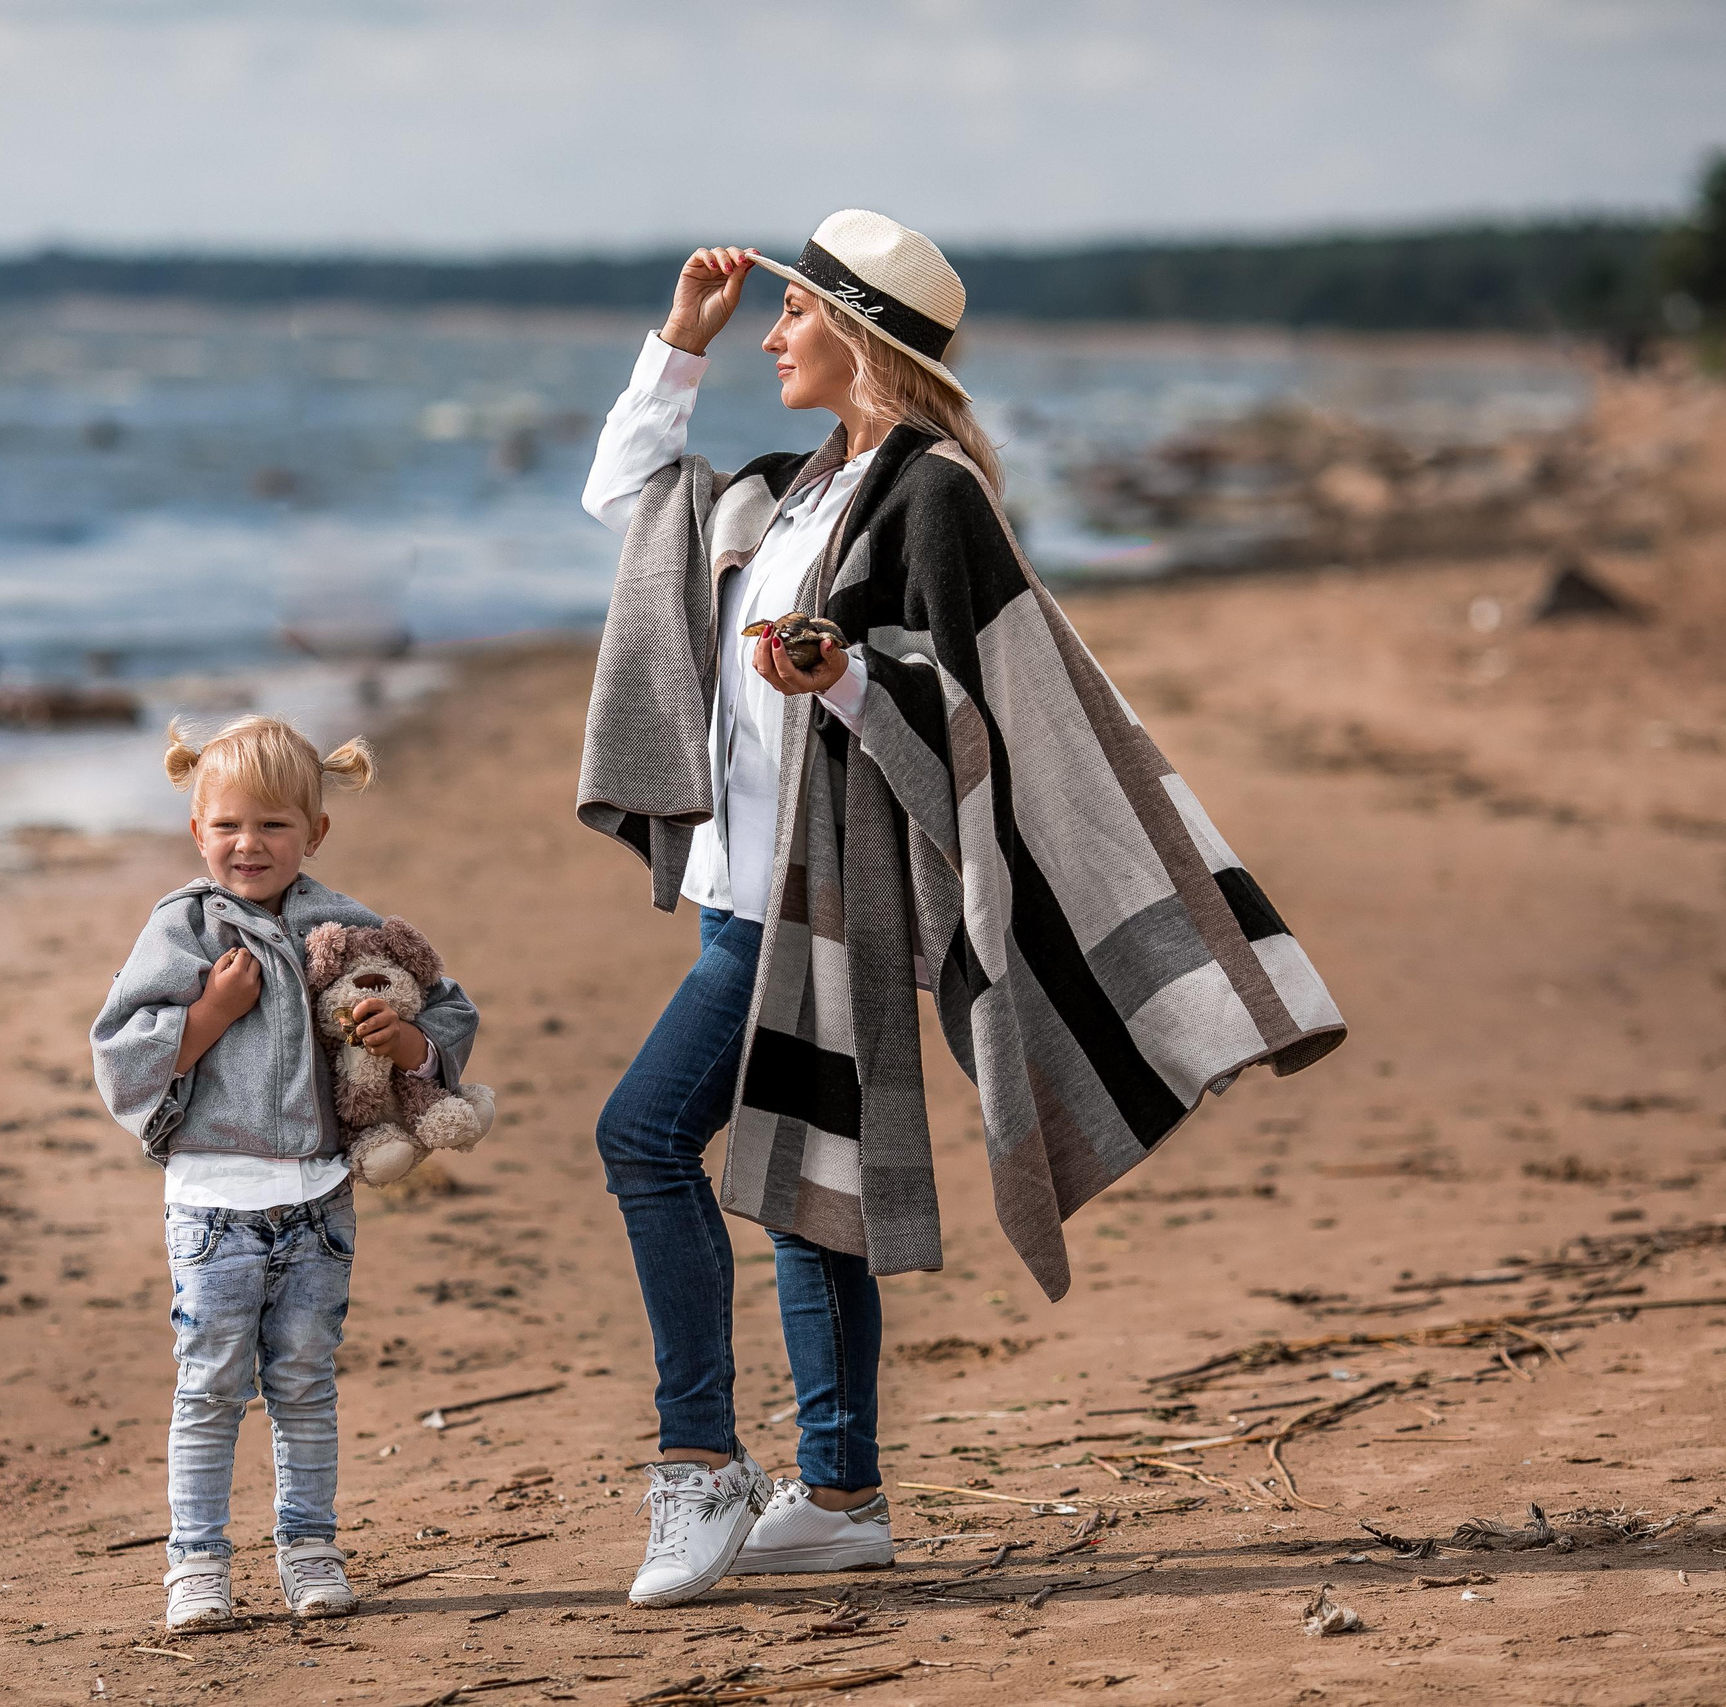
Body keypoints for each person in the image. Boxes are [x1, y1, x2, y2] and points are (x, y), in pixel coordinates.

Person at [576, 210, 1345, 1607]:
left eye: (793, 314)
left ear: (857, 333)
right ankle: (845, 1491)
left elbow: (983, 700)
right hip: (746, 892)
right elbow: (630, 501)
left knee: (641, 1139)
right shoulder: (797, 486)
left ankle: (698, 1463)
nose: (772, 334)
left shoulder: (933, 494)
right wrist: (672, 347)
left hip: (826, 893)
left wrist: (849, 677)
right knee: (807, 1185)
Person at [92, 714, 483, 1632]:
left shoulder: (343, 924)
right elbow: (119, 1054)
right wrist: (210, 1013)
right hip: (213, 1207)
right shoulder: (180, 928)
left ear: (315, 831)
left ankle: (310, 1549)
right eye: (227, 825)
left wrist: (409, 1040)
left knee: (305, 1381)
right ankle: (196, 1563)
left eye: (273, 825)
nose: (249, 844)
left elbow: (451, 1012)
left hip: (318, 1200)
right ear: (197, 832)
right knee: (210, 1383)